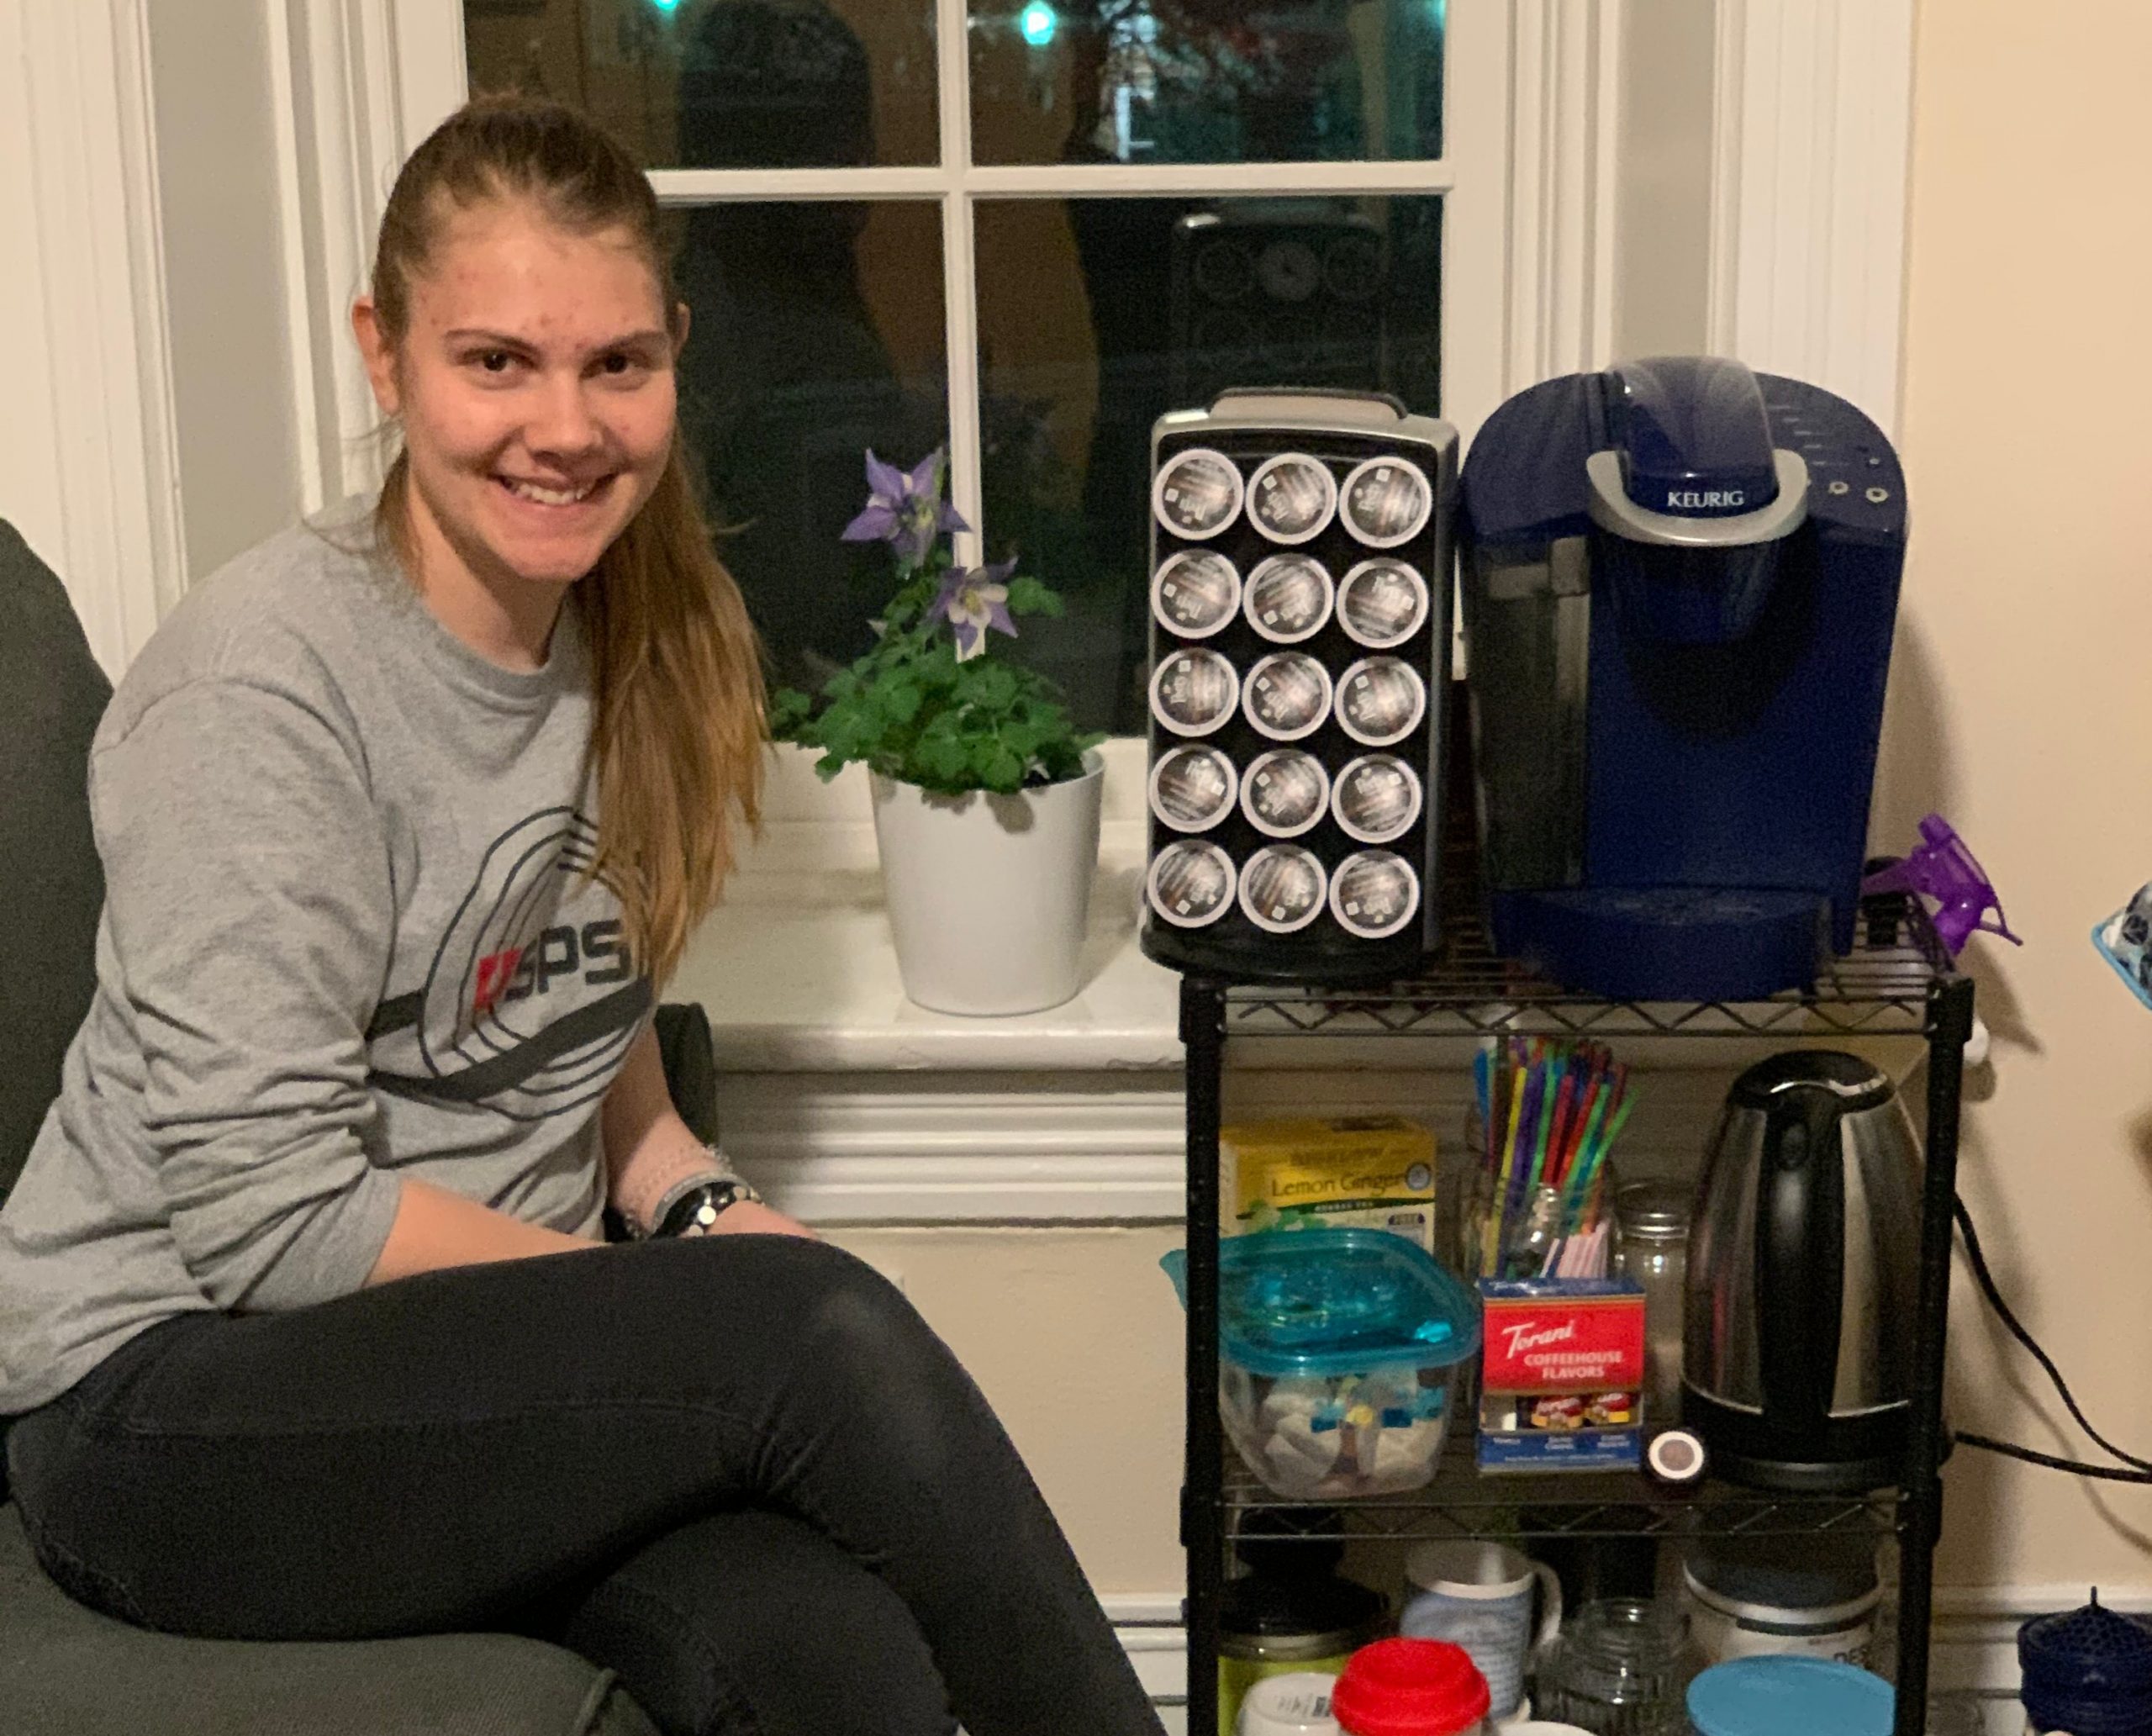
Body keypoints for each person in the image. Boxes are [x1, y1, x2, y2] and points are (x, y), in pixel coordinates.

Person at [0, 95, 1165, 1736]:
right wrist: (672, 1324)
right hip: (167, 1406)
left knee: (824, 1650)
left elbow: (567, 1023)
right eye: (496, 362)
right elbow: (273, 1220)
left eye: (614, 362)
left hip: (448, 1367)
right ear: (384, 355)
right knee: (805, 1338)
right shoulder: (263, 691)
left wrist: (693, 1208)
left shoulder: (638, 625)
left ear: (675, 356)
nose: (565, 424)